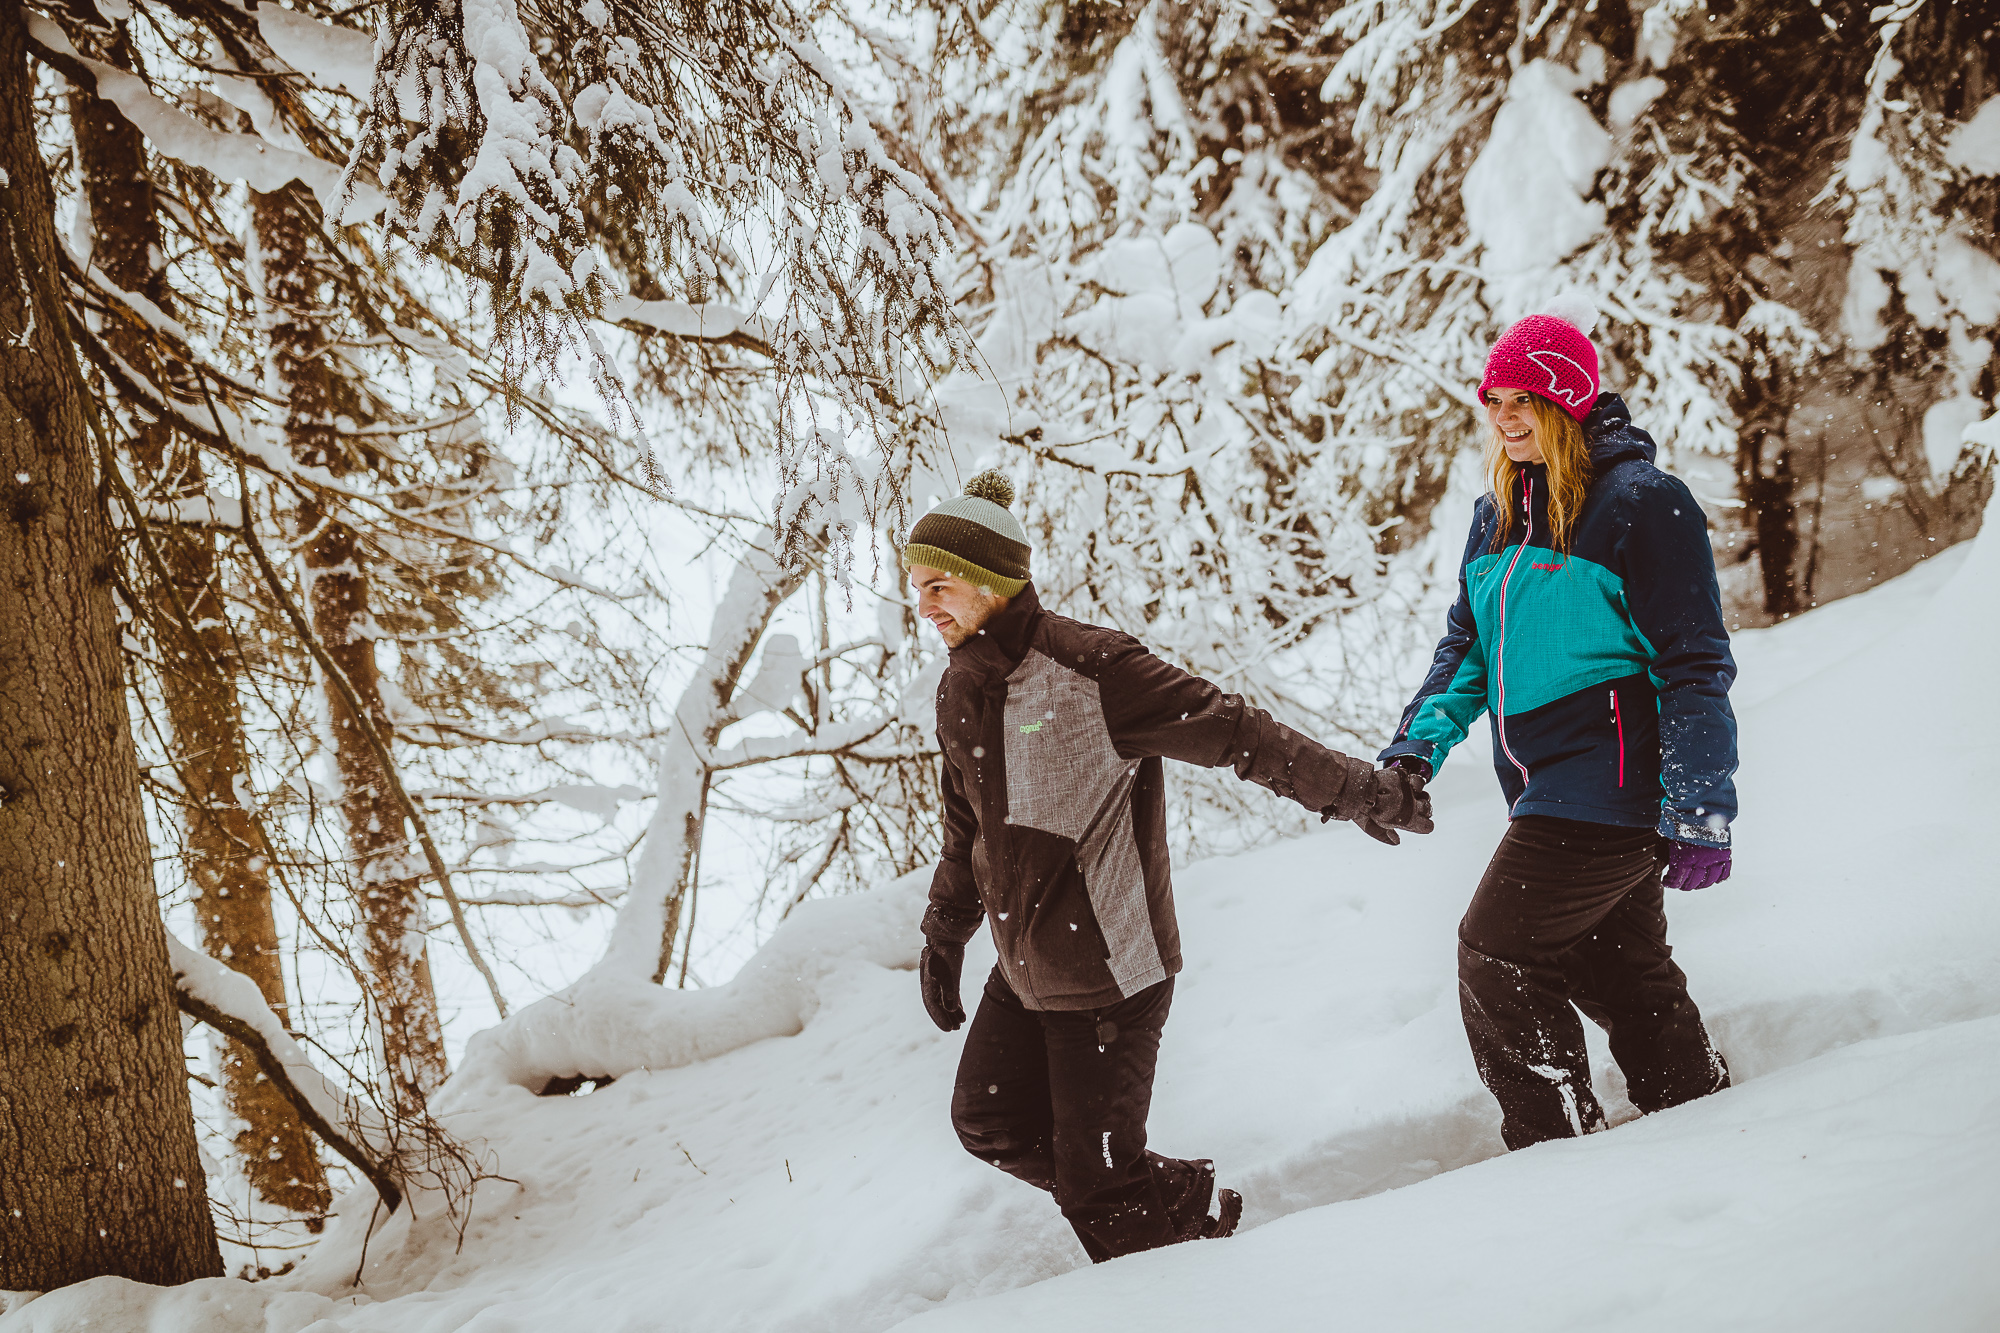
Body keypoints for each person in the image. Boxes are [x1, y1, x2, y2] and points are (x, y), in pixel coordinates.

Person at [907, 468, 1434, 1262]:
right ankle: (1173, 1197)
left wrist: (1362, 792)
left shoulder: (1092, 669)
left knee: (1101, 1198)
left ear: (993, 582)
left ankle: (1174, 1256)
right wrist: (945, 934)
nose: (923, 605)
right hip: (1023, 972)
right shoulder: (959, 690)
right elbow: (964, 828)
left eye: (939, 584)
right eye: (914, 586)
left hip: (1110, 971)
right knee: (990, 1123)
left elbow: (1238, 732)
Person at [1379, 298, 1737, 1152]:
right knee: (1620, 969)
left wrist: (1698, 804)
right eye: (1494, 400)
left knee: (1496, 952)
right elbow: (1468, 647)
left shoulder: (1641, 503)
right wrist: (1415, 748)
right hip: (1543, 782)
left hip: (1611, 780)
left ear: (1568, 402)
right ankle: (1702, 1108)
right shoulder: (1495, 514)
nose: (1503, 417)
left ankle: (1553, 1146)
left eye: (1523, 401)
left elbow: (1694, 662)